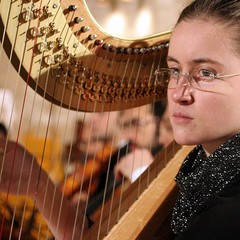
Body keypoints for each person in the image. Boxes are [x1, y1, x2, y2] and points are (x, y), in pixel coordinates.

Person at [2, 0, 240, 239]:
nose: (178, 93)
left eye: (205, 73)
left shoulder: (228, 212)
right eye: (175, 70)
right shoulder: (201, 172)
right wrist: (38, 185)